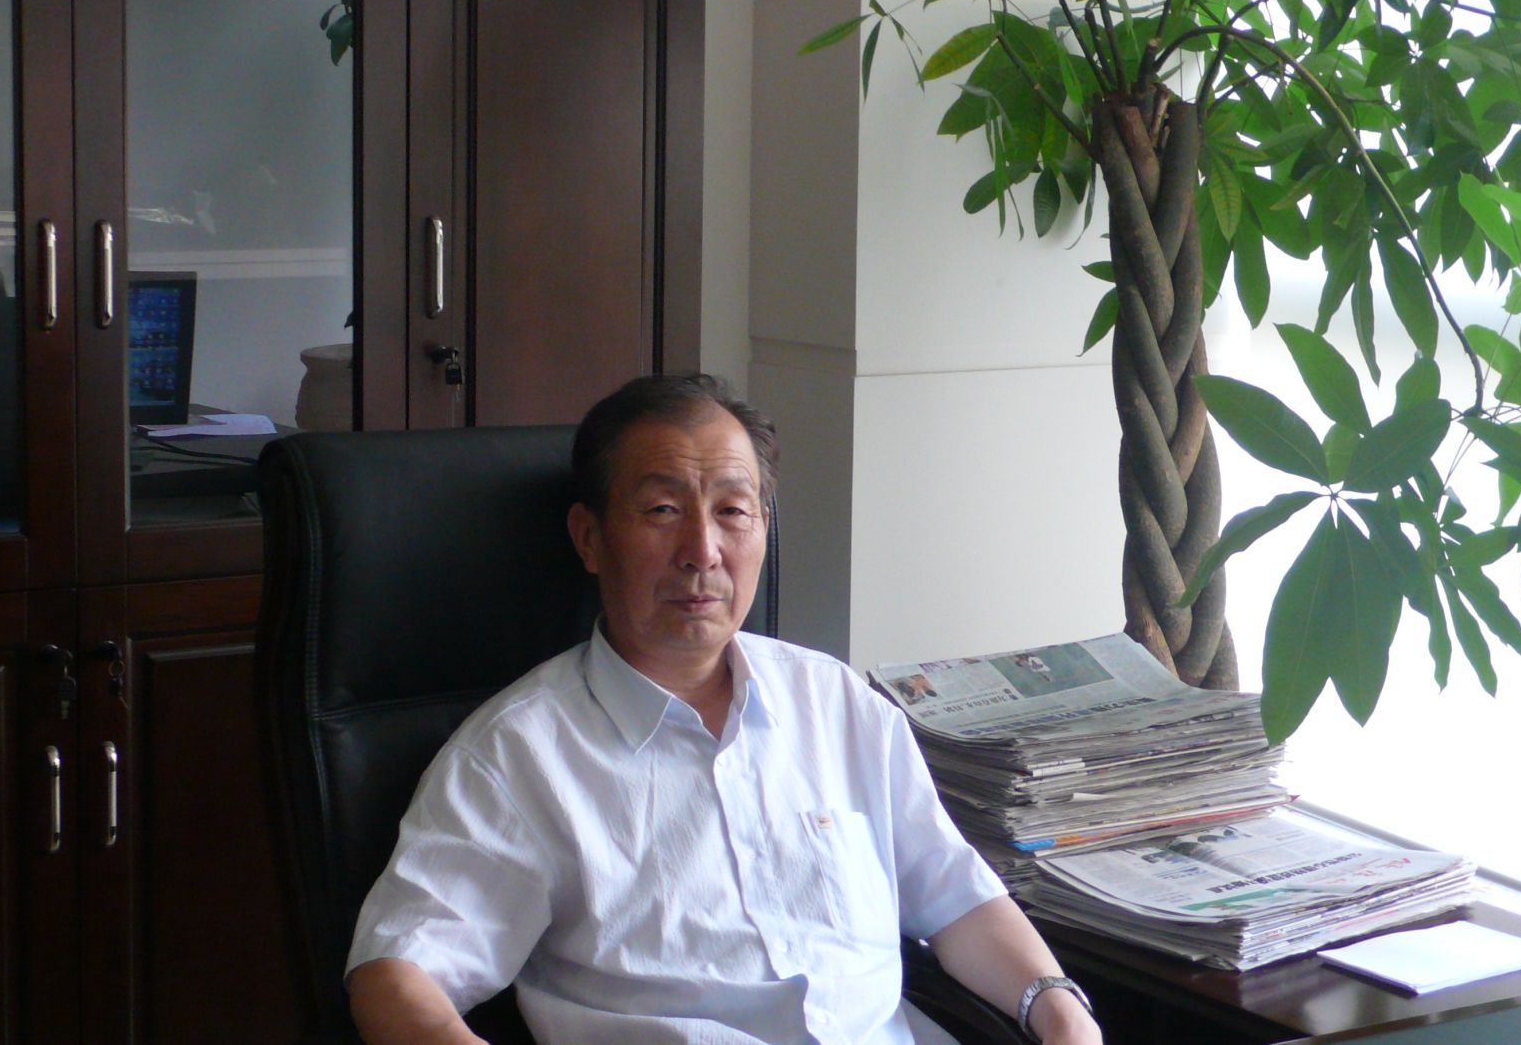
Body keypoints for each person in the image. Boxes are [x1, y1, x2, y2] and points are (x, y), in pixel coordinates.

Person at [344, 374, 1103, 1045]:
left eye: (733, 510)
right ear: (590, 538)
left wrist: (1059, 1009)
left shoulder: (835, 703)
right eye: (662, 509)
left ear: (763, 529)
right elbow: (396, 972)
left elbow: (954, 897)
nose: (702, 549)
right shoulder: (518, 755)